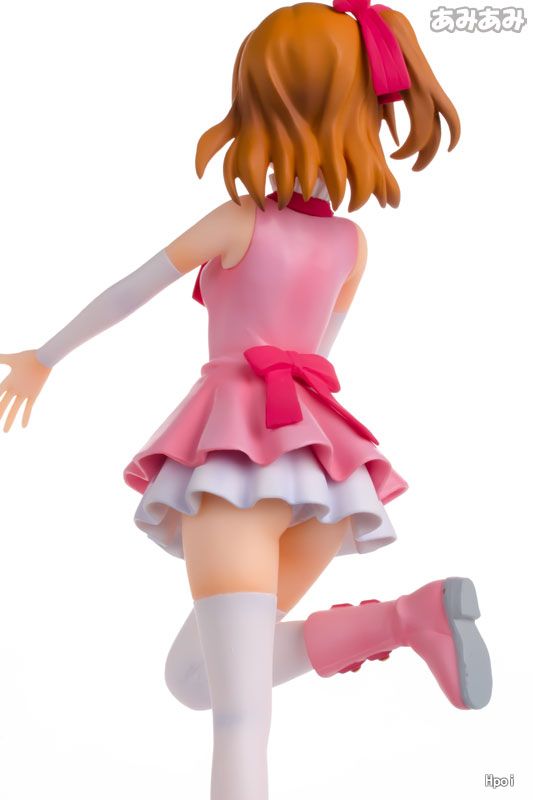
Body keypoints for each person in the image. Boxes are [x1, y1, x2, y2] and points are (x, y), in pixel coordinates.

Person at [0, 3, 492, 798]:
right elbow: (318, 353)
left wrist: (43, 357)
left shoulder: (238, 221)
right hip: (326, 474)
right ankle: (406, 619)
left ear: (269, 105)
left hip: (233, 461)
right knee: (195, 678)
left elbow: (130, 291)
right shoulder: (350, 245)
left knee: (237, 716)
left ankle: (407, 621)